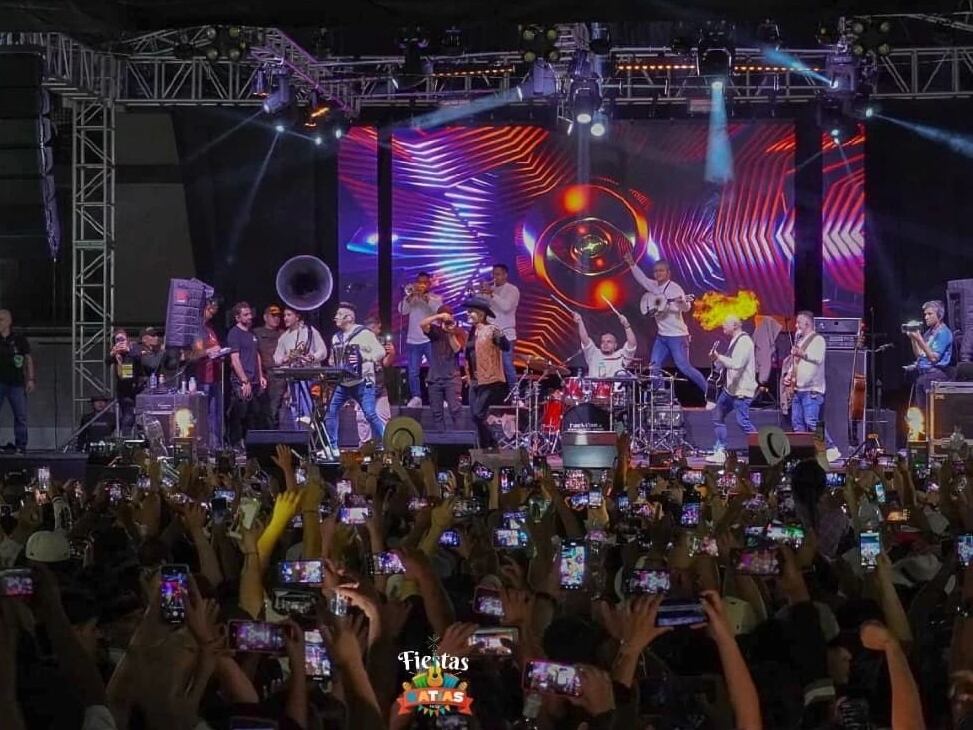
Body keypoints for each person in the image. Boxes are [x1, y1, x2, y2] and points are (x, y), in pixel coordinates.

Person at [623, 251, 710, 398]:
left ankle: (710, 391)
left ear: (668, 273)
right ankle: (660, 395)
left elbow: (687, 308)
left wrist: (681, 302)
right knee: (654, 365)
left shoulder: (675, 289)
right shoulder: (654, 286)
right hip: (662, 336)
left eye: (661, 271)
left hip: (678, 336)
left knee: (684, 367)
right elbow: (642, 279)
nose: (657, 274)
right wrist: (631, 264)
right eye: (655, 271)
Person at [326, 303, 386, 453]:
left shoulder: (364, 334)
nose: (335, 318)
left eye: (339, 315)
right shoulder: (336, 338)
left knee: (370, 414)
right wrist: (333, 362)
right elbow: (334, 359)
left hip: (363, 382)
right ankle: (332, 447)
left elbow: (380, 352)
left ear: (349, 318)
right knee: (331, 412)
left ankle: (389, 442)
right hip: (344, 383)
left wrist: (364, 357)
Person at [783, 311, 841, 462]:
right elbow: (796, 363)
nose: (796, 326)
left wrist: (803, 354)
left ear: (807, 324)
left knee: (812, 421)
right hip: (798, 390)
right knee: (797, 423)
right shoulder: (800, 342)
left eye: (798, 323)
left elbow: (817, 358)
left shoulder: (818, 340)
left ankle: (831, 448)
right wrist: (789, 376)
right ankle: (803, 454)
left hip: (812, 391)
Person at [707, 315, 757, 464]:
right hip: (730, 390)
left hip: (742, 391)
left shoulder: (745, 342)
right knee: (717, 415)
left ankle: (762, 449)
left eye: (725, 323)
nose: (722, 325)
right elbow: (726, 363)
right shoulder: (735, 341)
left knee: (743, 422)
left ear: (735, 326)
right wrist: (716, 359)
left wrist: (719, 357)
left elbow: (737, 364)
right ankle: (721, 450)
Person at [463, 297, 509, 448]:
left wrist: (501, 337)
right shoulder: (472, 332)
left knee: (478, 414)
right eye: (468, 311)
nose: (467, 314)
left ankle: (493, 441)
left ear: (481, 314)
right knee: (476, 417)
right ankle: (485, 448)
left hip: (489, 380)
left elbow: (506, 346)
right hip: (474, 381)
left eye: (471, 312)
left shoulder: (491, 330)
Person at [273, 307, 327, 426]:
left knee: (311, 406)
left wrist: (312, 357)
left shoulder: (310, 331)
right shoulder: (284, 337)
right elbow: (276, 358)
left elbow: (322, 351)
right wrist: (286, 358)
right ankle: (300, 434)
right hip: (294, 378)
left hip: (311, 376)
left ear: (297, 317)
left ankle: (310, 435)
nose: (285, 318)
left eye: (288, 315)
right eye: (284, 315)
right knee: (296, 406)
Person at [397, 272, 443, 407]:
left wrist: (424, 298)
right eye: (419, 282)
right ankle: (416, 397)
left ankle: (439, 397)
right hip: (413, 339)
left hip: (429, 339)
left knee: (436, 369)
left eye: (424, 282)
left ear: (429, 284)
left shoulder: (435, 298)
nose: (421, 285)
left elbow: (437, 311)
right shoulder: (412, 298)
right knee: (413, 371)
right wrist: (409, 297)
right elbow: (402, 310)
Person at [226, 301, 266, 448]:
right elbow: (235, 359)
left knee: (253, 415)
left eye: (250, 314)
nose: (250, 317)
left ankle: (251, 446)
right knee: (239, 414)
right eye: (246, 315)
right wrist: (244, 381)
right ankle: (236, 445)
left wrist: (261, 376)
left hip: (255, 380)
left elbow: (257, 355)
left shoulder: (252, 334)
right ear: (237, 318)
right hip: (242, 381)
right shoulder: (234, 334)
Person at [420, 305, 466, 430]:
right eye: (443, 318)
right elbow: (422, 324)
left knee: (455, 410)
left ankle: (460, 442)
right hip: (435, 377)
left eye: (448, 317)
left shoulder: (459, 331)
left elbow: (457, 349)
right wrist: (439, 316)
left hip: (452, 377)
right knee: (436, 413)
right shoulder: (435, 331)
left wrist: (450, 333)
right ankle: (440, 440)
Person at [191, 297, 225, 449]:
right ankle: (207, 446)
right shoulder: (197, 329)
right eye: (210, 310)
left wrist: (220, 353)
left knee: (216, 413)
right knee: (206, 414)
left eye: (215, 311)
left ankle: (216, 444)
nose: (212, 314)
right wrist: (210, 351)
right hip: (203, 377)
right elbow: (196, 354)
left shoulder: (210, 329)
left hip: (215, 376)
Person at [907, 299, 953, 412]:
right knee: (920, 412)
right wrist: (913, 340)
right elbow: (919, 354)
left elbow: (933, 358)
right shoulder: (929, 332)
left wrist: (919, 339)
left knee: (930, 412)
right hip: (923, 376)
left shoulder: (944, 333)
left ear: (939, 315)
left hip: (935, 376)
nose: (926, 317)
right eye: (925, 314)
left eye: (930, 314)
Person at [355, 316, 394, 445]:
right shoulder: (358, 342)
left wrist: (392, 354)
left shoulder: (381, 342)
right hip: (363, 386)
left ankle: (387, 447)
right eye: (375, 328)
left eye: (377, 328)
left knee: (384, 418)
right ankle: (365, 447)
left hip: (380, 386)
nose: (377, 330)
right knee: (362, 419)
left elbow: (386, 364)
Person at [482, 263, 520, 393]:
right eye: (493, 274)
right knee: (490, 367)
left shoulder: (512, 290)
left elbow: (506, 307)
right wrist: (481, 294)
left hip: (506, 334)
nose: (495, 277)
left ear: (505, 275)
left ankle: (515, 395)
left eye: (498, 274)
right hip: (490, 334)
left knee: (507, 365)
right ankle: (492, 396)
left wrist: (492, 294)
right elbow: (482, 308)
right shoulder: (490, 290)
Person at [0, 309, 34, 452]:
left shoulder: (19, 339)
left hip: (16, 383)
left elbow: (28, 359)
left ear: (9, 321)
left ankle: (21, 446)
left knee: (20, 416)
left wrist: (31, 379)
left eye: (1, 319)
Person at [572, 308, 637, 377]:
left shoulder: (621, 355)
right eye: (603, 342)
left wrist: (626, 326)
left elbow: (632, 344)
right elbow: (585, 340)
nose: (605, 344)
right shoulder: (593, 354)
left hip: (615, 388)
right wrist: (580, 322)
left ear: (615, 345)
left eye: (609, 342)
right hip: (594, 387)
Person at [253, 304, 283, 428]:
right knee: (262, 410)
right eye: (273, 316)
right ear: (265, 317)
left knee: (276, 409)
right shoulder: (257, 332)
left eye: (278, 316)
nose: (276, 319)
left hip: (280, 376)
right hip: (264, 375)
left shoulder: (283, 333)